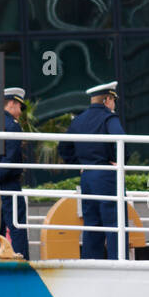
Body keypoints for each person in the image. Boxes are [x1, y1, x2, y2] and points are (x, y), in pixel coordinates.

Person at [60, 81, 126, 259]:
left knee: (92, 223)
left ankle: (91, 262)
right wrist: (117, 160)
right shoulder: (109, 118)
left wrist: (79, 164)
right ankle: (118, 263)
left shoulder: (79, 120)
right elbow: (120, 139)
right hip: (106, 175)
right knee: (115, 223)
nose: (114, 105)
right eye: (113, 100)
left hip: (87, 177)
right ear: (107, 100)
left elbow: (64, 148)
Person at [0, 86, 30, 258]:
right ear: (13, 103)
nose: (20, 112)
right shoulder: (12, 126)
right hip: (8, 183)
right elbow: (12, 157)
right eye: (19, 107)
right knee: (17, 224)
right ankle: (21, 259)